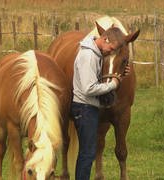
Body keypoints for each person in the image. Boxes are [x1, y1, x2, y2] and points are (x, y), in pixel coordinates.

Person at [71, 32, 129, 180]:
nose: (110, 52)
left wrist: (119, 74)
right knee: (87, 153)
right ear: (105, 39)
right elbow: (88, 88)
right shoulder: (89, 56)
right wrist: (112, 85)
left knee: (87, 152)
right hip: (85, 108)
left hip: (88, 108)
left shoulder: (95, 53)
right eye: (111, 48)